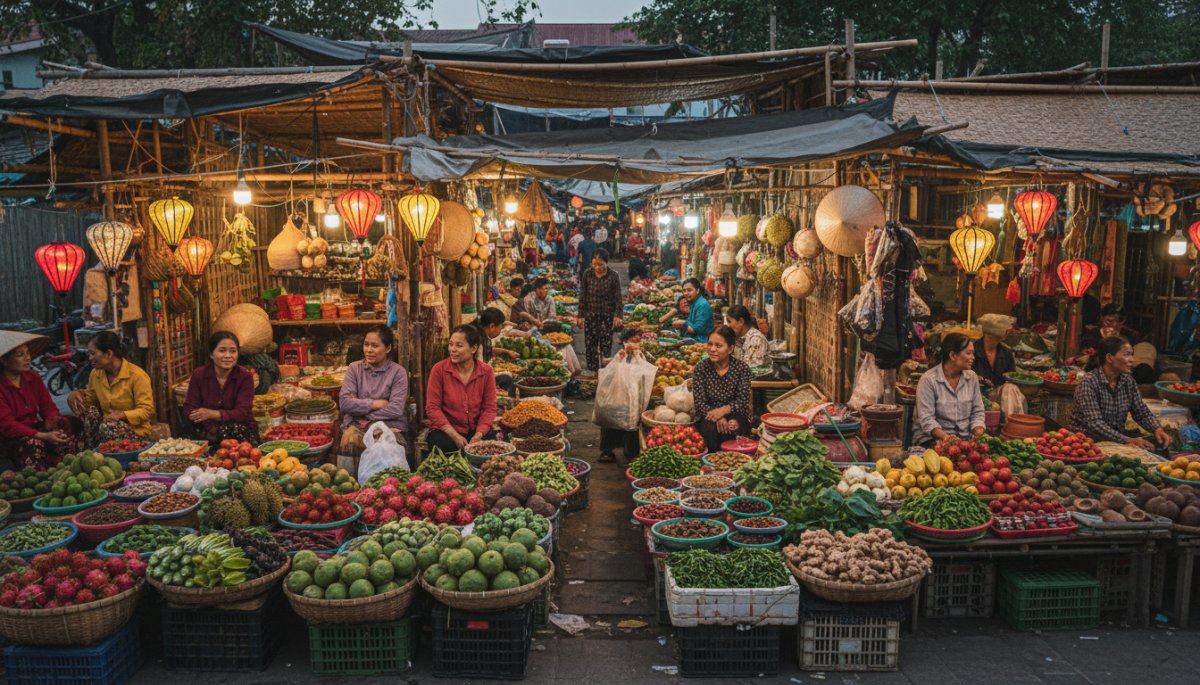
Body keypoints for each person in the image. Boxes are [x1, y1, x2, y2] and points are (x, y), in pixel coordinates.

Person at [1070, 336, 1170, 449]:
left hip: (1116, 442)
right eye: (1127, 354)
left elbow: (1141, 412)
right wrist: (1127, 440)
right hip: (1085, 445)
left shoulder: (1128, 381)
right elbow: (1095, 423)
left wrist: (1157, 429)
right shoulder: (1089, 382)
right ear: (1109, 357)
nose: (1132, 360)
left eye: (1132, 355)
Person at [0, 332, 74, 469]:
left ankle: (67, 470)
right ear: (4, 360)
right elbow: (7, 425)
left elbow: (48, 406)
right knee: (35, 444)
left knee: (70, 426)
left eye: (28, 353)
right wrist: (42, 436)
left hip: (35, 428)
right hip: (12, 438)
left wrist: (53, 421)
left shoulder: (33, 377)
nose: (27, 358)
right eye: (20, 354)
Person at [68, 331, 155, 445]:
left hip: (135, 431)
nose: (90, 358)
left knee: (108, 426)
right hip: (107, 427)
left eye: (93, 353)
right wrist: (76, 395)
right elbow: (91, 399)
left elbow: (147, 410)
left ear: (109, 353)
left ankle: (108, 450)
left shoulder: (137, 376)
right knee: (89, 413)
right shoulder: (96, 374)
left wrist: (122, 414)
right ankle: (94, 449)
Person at [338, 325, 409, 457]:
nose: (369, 350)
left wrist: (364, 416)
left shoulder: (398, 372)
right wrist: (374, 404)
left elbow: (396, 409)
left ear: (387, 348)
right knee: (349, 443)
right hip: (356, 426)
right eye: (366, 344)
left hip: (388, 426)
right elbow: (344, 403)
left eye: (375, 346)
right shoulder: (354, 368)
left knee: (389, 449)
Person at [426, 324, 498, 454]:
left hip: (475, 429)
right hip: (447, 430)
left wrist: (479, 434)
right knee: (443, 446)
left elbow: (489, 408)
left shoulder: (486, 371)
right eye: (451, 344)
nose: (452, 349)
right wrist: (455, 436)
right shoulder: (439, 370)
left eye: (459, 346)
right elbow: (432, 408)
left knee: (491, 448)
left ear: (473, 348)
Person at [182, 331, 259, 447]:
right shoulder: (199, 375)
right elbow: (189, 408)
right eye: (222, 350)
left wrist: (213, 414)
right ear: (211, 354)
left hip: (238, 431)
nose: (228, 356)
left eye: (233, 351)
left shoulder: (245, 377)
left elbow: (242, 413)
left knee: (234, 430)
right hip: (207, 429)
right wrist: (208, 423)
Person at [913, 332, 986, 447]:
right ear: (952, 355)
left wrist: (978, 432)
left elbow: (978, 412)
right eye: (968, 353)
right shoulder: (928, 380)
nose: (973, 357)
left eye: (973, 353)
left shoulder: (972, 378)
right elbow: (927, 419)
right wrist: (947, 439)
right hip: (933, 439)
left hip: (964, 440)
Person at [693, 327, 753, 453]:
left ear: (730, 349)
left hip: (735, 412)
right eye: (710, 344)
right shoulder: (701, 368)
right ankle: (711, 459)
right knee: (710, 429)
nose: (712, 349)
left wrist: (723, 410)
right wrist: (718, 417)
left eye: (718, 346)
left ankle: (735, 459)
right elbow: (700, 403)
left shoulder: (742, 368)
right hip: (709, 415)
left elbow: (742, 401)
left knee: (733, 426)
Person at [598, 328, 647, 465]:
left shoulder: (639, 355)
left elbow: (643, 372)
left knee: (632, 423)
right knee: (611, 421)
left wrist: (638, 357)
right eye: (632, 339)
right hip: (617, 396)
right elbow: (612, 370)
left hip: (633, 397)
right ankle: (607, 451)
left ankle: (631, 453)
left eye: (638, 340)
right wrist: (622, 356)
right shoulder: (620, 354)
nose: (636, 342)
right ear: (625, 341)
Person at [579, 249, 623, 373]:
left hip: (607, 316)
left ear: (607, 263)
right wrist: (580, 315)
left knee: (606, 345)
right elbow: (583, 295)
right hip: (591, 315)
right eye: (594, 264)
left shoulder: (613, 276)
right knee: (590, 345)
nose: (597, 267)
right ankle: (592, 372)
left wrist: (618, 315)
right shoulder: (587, 274)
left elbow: (618, 297)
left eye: (600, 264)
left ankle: (605, 372)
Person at [972, 313, 1025, 414]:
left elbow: (1011, 377)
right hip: (978, 396)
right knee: (1009, 390)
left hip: (1002, 396)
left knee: (1010, 389)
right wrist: (980, 380)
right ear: (990, 332)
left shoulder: (1006, 353)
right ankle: (1014, 421)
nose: (1008, 331)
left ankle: (1012, 420)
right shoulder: (972, 350)